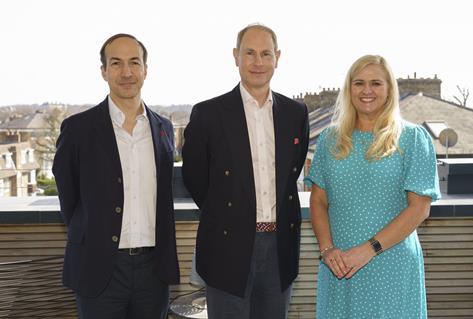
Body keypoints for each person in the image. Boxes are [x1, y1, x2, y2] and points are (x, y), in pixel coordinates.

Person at [182, 23, 309, 319]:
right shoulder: (208, 113)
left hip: (280, 247)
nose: (258, 62)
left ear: (278, 57)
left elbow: (291, 173)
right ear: (235, 56)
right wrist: (231, 213)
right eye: (249, 53)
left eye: (266, 53)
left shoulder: (296, 113)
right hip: (227, 244)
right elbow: (195, 179)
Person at [53, 33, 179, 319]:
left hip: (153, 270)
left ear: (145, 70)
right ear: (104, 71)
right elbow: (69, 200)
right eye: (116, 63)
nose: (127, 72)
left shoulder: (164, 128)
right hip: (99, 268)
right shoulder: (77, 130)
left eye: (134, 62)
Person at [306, 54, 441, 318]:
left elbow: (419, 209)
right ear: (349, 89)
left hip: (391, 263)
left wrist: (369, 249)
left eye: (376, 83)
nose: (367, 90)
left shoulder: (413, 138)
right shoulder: (329, 139)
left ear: (390, 88)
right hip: (339, 266)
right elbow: (318, 200)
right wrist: (327, 250)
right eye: (359, 83)